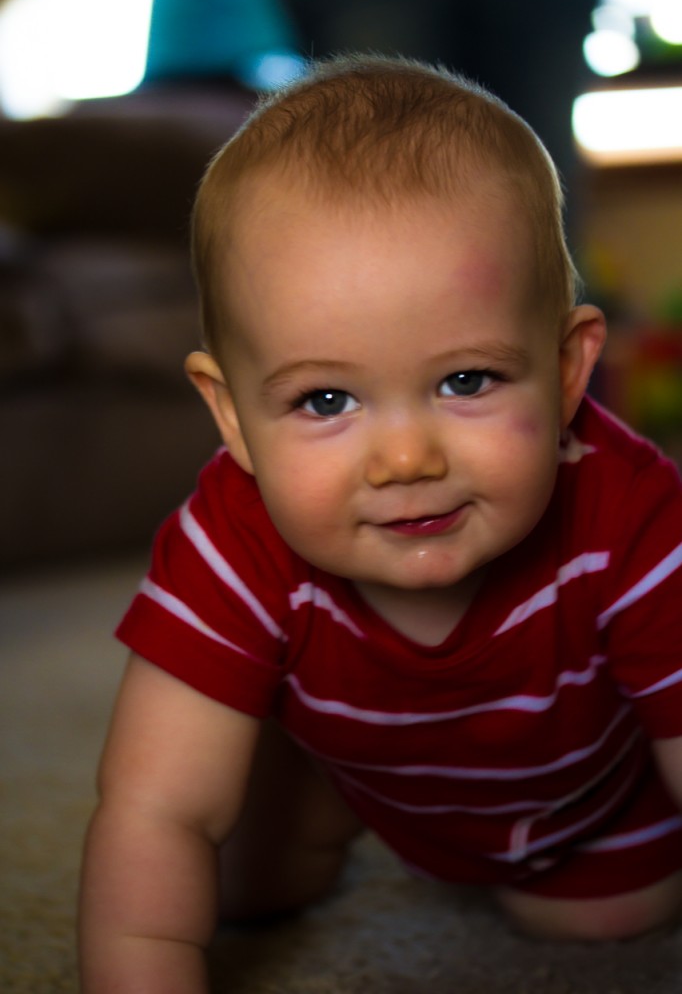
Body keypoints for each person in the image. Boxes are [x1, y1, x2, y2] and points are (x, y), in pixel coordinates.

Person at [78, 55, 682, 992]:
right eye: (326, 399)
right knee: (227, 884)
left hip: (576, 801)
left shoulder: (635, 520)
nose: (406, 460)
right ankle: (322, 781)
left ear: (567, 370)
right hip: (361, 757)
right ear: (231, 413)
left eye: (465, 380)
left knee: (600, 920)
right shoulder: (229, 540)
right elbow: (153, 809)